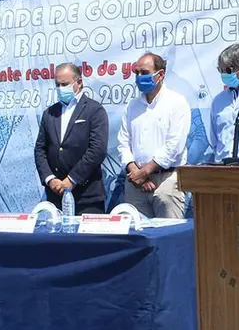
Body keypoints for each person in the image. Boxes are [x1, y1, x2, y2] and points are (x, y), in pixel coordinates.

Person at [117, 52, 191, 219]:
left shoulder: (176, 103)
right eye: (136, 73)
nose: (139, 77)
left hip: (166, 181)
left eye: (144, 73)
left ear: (161, 74)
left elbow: (174, 147)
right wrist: (136, 173)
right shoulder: (132, 106)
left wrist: (145, 172)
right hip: (135, 183)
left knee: (170, 238)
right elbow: (123, 143)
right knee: (137, 240)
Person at [34, 63, 109, 214]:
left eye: (65, 84)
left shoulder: (94, 110)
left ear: (79, 82)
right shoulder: (50, 113)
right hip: (55, 196)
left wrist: (72, 179)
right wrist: (50, 179)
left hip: (87, 197)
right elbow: (40, 149)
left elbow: (97, 150)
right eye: (57, 85)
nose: (61, 88)